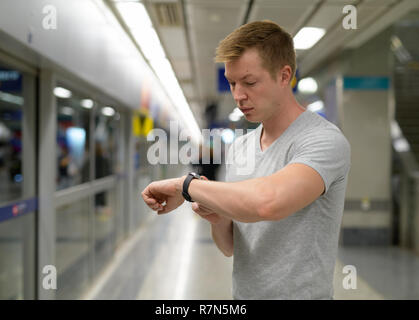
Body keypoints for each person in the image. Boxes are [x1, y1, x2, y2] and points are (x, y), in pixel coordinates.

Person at [141, 20, 351, 300]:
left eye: (250, 82)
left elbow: (268, 202)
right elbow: (230, 246)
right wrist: (218, 220)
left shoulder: (323, 140)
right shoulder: (240, 148)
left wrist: (185, 186)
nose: (238, 95)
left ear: (283, 75)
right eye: (232, 83)